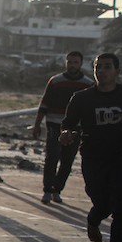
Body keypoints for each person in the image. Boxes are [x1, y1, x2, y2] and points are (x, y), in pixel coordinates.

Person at [59, 52, 122, 242]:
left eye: (107, 67)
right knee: (102, 204)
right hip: (94, 159)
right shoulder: (82, 98)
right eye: (98, 67)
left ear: (117, 71)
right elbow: (69, 124)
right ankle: (94, 219)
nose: (102, 71)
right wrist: (67, 134)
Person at [32, 50, 94, 204]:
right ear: (65, 63)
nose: (72, 65)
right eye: (69, 62)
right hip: (54, 124)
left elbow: (90, 109)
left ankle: (57, 190)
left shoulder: (87, 84)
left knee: (67, 160)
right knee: (52, 158)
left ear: (80, 64)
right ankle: (47, 190)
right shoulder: (55, 81)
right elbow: (44, 104)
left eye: (75, 62)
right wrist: (37, 125)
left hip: (75, 128)